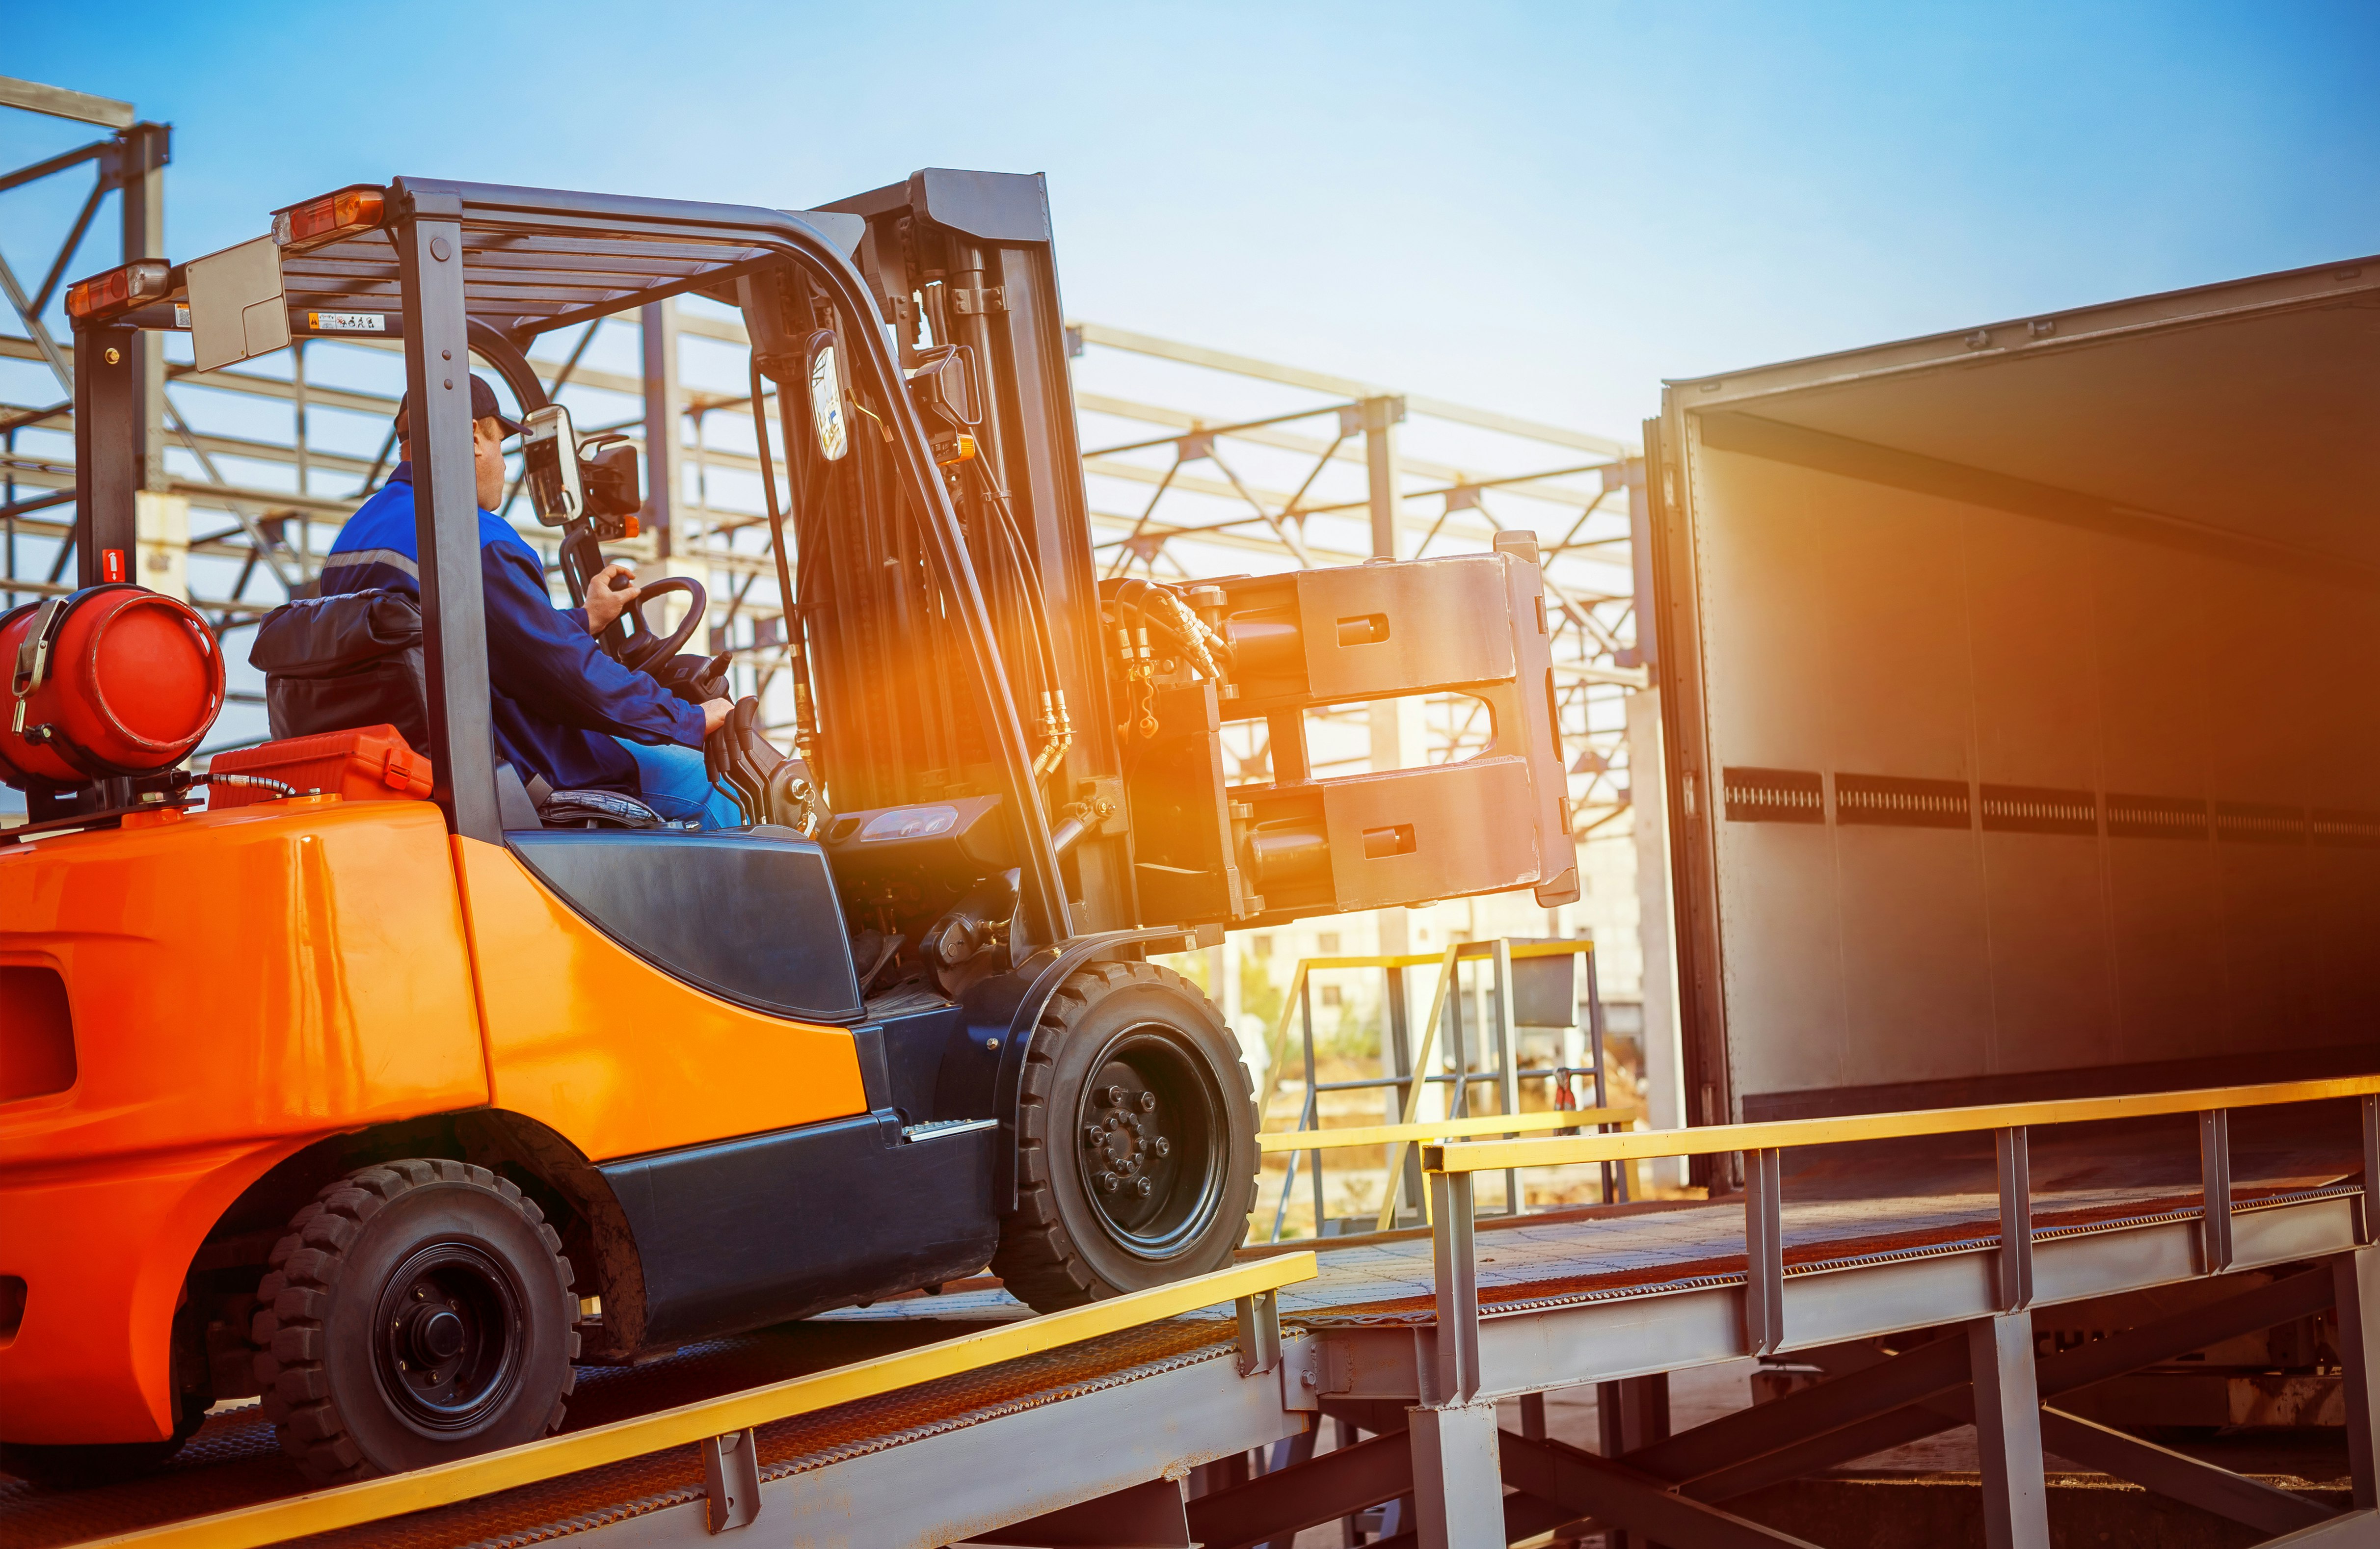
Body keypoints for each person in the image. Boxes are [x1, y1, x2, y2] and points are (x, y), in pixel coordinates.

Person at [319, 375, 741, 828]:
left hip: (415, 768)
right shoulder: (473, 538)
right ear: (474, 436)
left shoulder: (354, 539)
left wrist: (585, 619)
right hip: (517, 767)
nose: (504, 465)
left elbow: (475, 639)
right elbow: (568, 675)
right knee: (714, 786)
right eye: (503, 445)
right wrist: (686, 719)